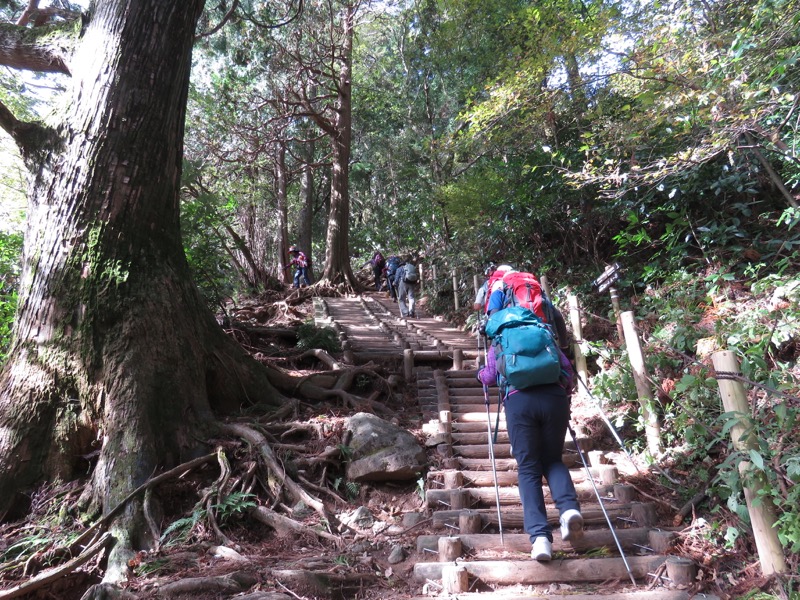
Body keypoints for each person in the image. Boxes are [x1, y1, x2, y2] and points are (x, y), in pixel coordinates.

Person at [478, 282, 583, 562]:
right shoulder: (542, 332)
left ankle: (539, 538)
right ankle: (569, 509)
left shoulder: (501, 338)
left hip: (519, 402)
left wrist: (481, 375)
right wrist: (563, 392)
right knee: (553, 460)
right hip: (554, 399)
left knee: (528, 469)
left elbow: (489, 377)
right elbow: (567, 370)